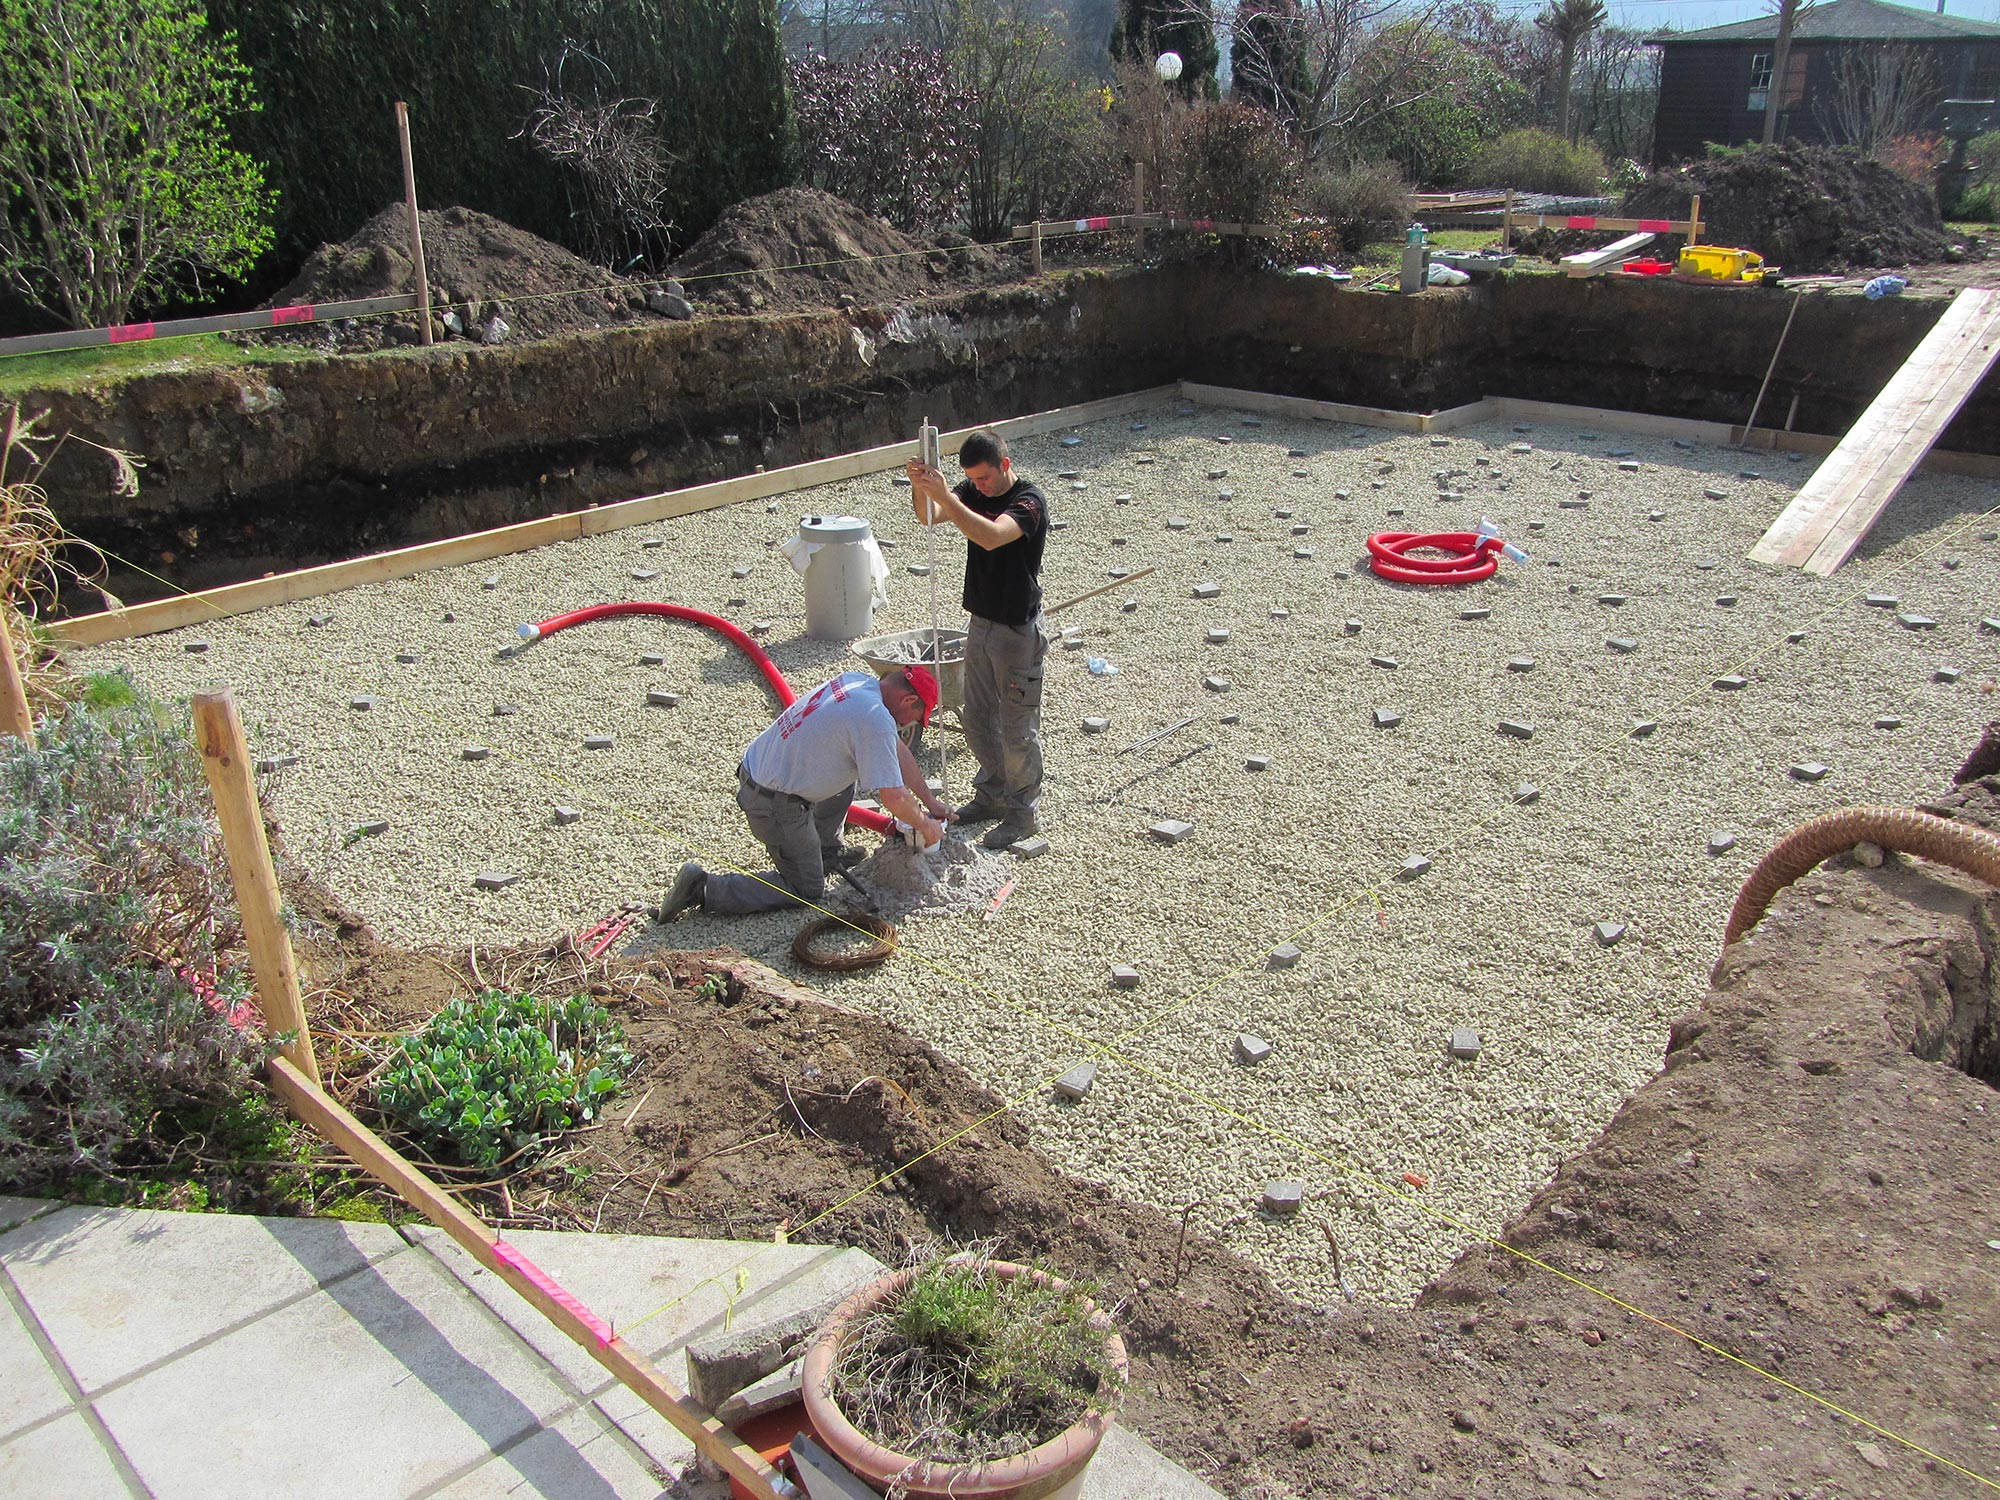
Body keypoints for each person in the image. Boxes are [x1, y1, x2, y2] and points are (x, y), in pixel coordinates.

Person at [654, 666, 952, 920]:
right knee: (806, 889)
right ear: (909, 699)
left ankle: (825, 851)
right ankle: (704, 888)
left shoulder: (858, 682)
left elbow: (896, 752)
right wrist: (925, 825)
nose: (909, 724)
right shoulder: (874, 719)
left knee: (848, 767)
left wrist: (928, 800)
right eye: (914, 715)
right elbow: (894, 798)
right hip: (772, 802)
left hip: (765, 771)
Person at [905, 428, 1049, 851]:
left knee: (1017, 730)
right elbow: (928, 517)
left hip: (1018, 631)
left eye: (984, 478)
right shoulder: (971, 489)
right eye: (973, 479)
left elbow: (990, 536)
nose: (979, 486)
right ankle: (990, 796)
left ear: (1005, 464)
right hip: (981, 623)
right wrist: (922, 488)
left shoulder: (1029, 501)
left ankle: (1023, 813)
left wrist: (946, 495)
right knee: (977, 719)